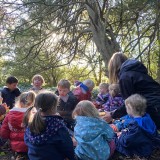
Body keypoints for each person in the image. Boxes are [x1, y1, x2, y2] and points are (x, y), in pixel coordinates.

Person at [104, 52, 160, 129]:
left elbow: (129, 103)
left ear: (113, 67)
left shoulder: (125, 77)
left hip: (153, 107)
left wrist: (112, 115)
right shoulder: (137, 72)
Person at [23, 91, 76, 160]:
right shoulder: (57, 124)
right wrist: (72, 157)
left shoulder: (31, 122)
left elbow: (26, 140)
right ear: (53, 107)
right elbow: (67, 146)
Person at [0, 91, 35, 159]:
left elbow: (4, 130)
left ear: (19, 102)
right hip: (30, 144)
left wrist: (5, 138)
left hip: (15, 145)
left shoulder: (10, 114)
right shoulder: (34, 115)